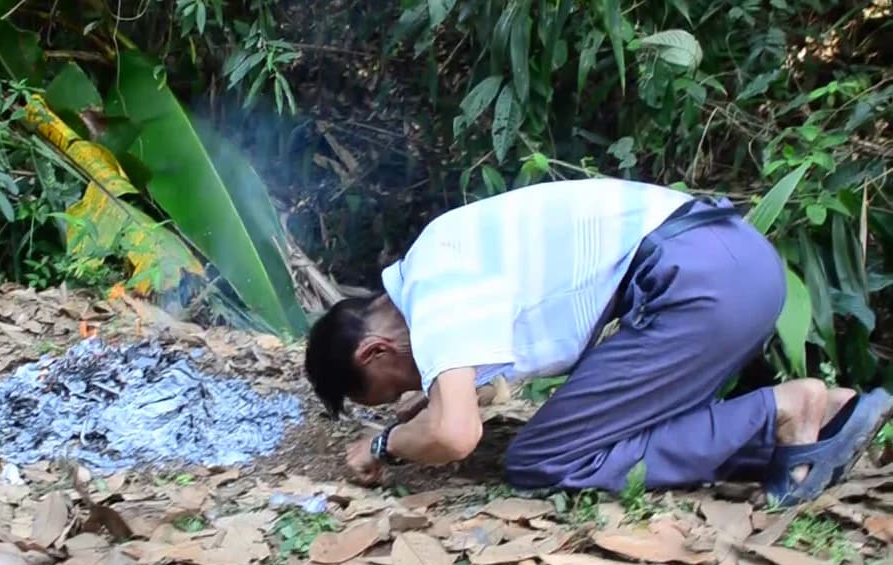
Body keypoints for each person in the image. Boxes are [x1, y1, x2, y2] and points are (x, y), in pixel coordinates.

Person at [303, 177, 891, 507]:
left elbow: (455, 434)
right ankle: (832, 416)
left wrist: (383, 444)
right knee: (619, 433)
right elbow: (470, 385)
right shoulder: (443, 256)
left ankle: (783, 410)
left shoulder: (434, 285)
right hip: (733, 265)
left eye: (392, 387)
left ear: (374, 351)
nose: (412, 385)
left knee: (540, 459)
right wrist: (429, 400)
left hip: (696, 287)